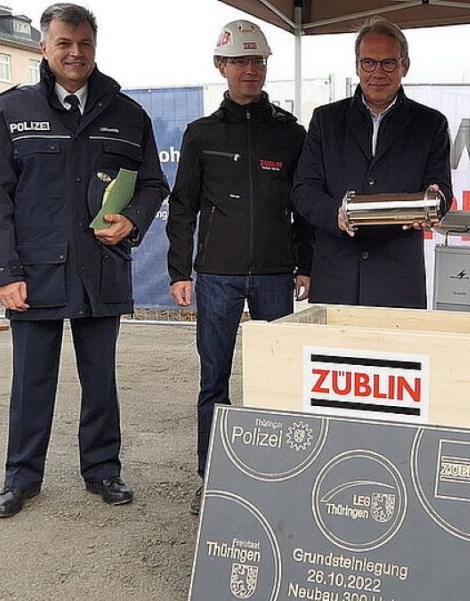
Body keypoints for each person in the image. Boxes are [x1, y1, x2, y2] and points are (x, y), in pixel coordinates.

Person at [0, 3, 168, 518]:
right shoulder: (10, 111)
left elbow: (153, 184)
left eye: (84, 43)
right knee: (31, 381)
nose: (75, 53)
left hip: (100, 267)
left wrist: (132, 220)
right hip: (34, 273)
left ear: (95, 47)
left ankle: (103, 470)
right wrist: (4, 274)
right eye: (64, 43)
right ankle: (21, 478)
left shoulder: (128, 115)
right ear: (44, 46)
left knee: (100, 379)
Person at [166, 19, 311, 515]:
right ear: (221, 66)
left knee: (278, 382)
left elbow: (303, 206)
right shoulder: (201, 134)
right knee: (214, 379)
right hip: (216, 276)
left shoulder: (290, 133)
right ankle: (212, 478)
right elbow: (183, 207)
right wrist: (179, 271)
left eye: (258, 60)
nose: (251, 69)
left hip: (275, 274)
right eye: (241, 61)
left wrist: (305, 264)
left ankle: (278, 477)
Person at [292, 16, 452, 309]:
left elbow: (441, 189)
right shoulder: (326, 121)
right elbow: (304, 190)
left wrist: (433, 202)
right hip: (335, 281)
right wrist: (336, 214)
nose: (377, 72)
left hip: (397, 283)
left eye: (388, 63)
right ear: (357, 66)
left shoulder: (431, 124)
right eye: (368, 63)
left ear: (404, 66)